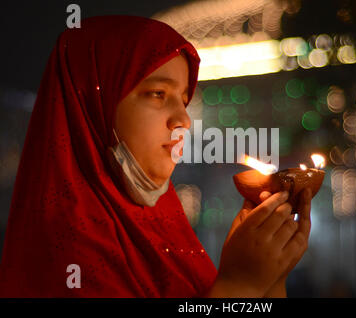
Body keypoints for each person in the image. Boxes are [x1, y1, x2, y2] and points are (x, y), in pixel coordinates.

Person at [0, 15, 312, 298]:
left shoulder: (166, 225)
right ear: (94, 107)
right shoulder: (64, 256)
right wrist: (240, 285)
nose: (183, 120)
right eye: (158, 94)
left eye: (184, 99)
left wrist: (271, 276)